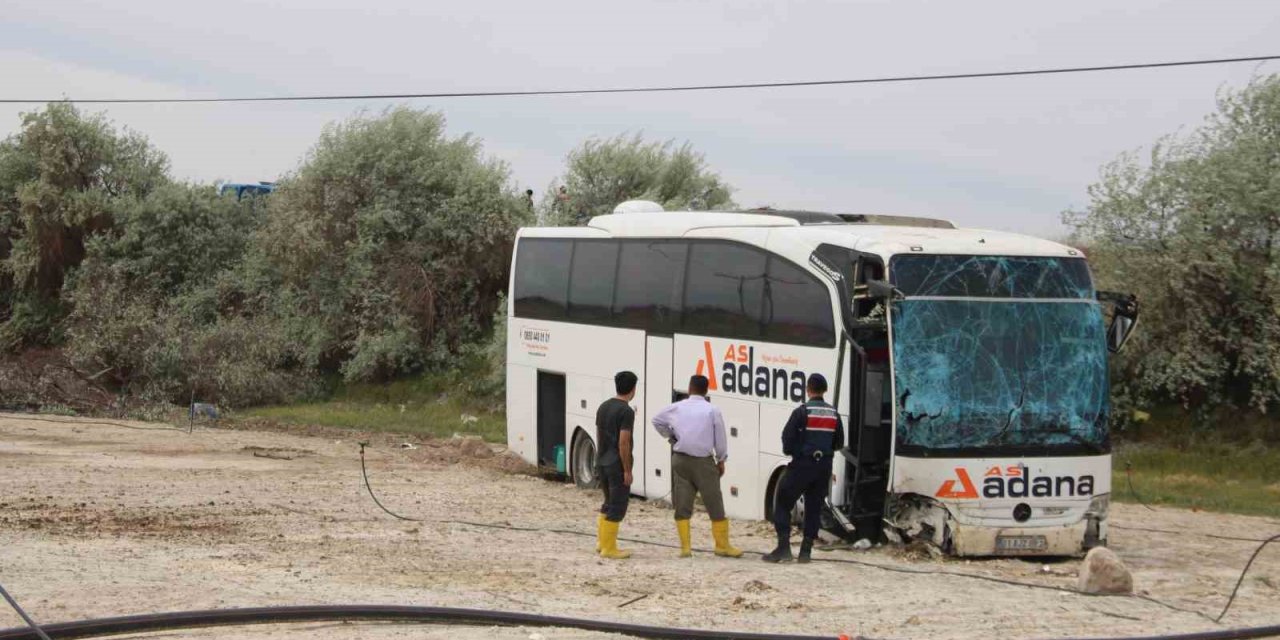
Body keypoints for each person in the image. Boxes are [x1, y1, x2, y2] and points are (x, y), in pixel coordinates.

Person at [651, 375, 743, 559]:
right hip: (703, 462)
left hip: (680, 459)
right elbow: (720, 438)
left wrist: (671, 437)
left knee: (683, 503)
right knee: (714, 502)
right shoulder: (712, 410)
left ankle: (685, 548)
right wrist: (721, 459)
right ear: (706, 390)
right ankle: (722, 546)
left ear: (689, 388)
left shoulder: (677, 407)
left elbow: (656, 420)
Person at [763, 373, 845, 563]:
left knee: (783, 502)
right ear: (825, 390)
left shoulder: (802, 411)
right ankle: (805, 552)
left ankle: (783, 548)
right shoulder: (834, 414)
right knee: (814, 507)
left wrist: (795, 451)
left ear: (808, 389)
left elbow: (787, 438)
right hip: (824, 466)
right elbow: (839, 443)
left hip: (802, 465)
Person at [594, 371, 638, 560]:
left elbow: (598, 433)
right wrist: (627, 469)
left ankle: (602, 543)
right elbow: (624, 442)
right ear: (633, 389)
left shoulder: (604, 406)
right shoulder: (626, 411)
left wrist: (600, 456)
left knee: (607, 503)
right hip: (616, 464)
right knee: (617, 506)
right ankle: (609, 549)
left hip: (602, 460)